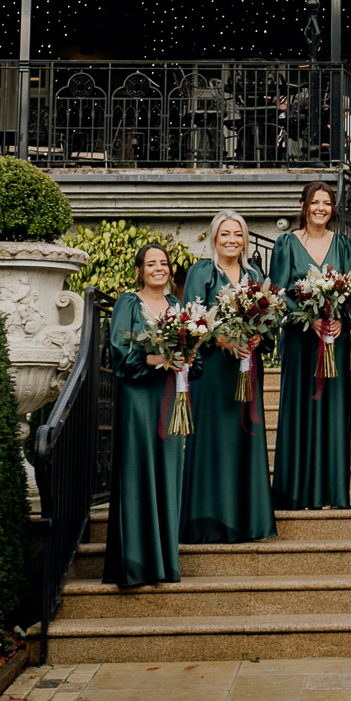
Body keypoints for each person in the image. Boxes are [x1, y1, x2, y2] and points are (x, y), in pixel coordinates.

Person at [101, 243, 200, 588]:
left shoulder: (178, 306)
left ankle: (164, 561)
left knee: (168, 473)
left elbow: (194, 354)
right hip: (139, 400)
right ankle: (136, 565)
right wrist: (158, 360)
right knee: (138, 472)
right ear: (140, 270)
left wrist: (187, 358)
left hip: (171, 397)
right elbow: (120, 354)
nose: (159, 268)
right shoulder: (128, 303)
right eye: (151, 263)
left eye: (164, 263)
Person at [179, 210, 277, 544]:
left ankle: (247, 520)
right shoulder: (202, 271)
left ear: (245, 239)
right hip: (213, 373)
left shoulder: (254, 274)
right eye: (225, 234)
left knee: (244, 437)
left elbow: (269, 321)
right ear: (214, 238)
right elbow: (192, 319)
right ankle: (207, 521)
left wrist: (257, 337)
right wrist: (219, 338)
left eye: (238, 234)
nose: (232, 240)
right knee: (212, 441)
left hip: (247, 369)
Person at [270, 180, 351, 510]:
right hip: (299, 342)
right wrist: (309, 318)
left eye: (327, 203)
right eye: (315, 202)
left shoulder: (344, 244)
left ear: (332, 209)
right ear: (304, 206)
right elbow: (278, 295)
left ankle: (331, 492)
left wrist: (341, 319)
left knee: (333, 413)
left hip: (335, 342)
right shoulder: (285, 244)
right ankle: (296, 492)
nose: (321, 208)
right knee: (299, 410)